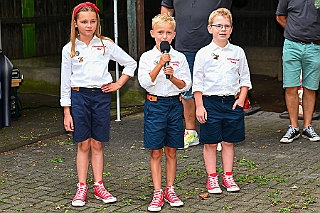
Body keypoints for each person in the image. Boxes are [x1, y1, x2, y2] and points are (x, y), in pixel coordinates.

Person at [60, 2, 137, 207]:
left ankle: (99, 185)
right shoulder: (69, 49)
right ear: (75, 23)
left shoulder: (105, 45)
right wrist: (67, 111)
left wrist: (118, 84)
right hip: (79, 98)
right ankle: (82, 187)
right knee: (83, 143)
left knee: (97, 143)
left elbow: (130, 63)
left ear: (97, 23)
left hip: (101, 97)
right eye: (84, 22)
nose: (89, 25)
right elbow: (65, 81)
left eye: (92, 21)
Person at [193, 8, 252, 194]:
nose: (222, 29)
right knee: (210, 142)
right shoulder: (203, 53)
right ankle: (212, 178)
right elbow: (198, 82)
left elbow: (245, 79)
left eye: (226, 26)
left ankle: (228, 176)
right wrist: (200, 106)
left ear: (231, 29)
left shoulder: (238, 52)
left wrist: (241, 100)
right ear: (210, 28)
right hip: (210, 103)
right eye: (218, 26)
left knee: (228, 141)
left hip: (232, 103)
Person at [161, 0, 232, 149]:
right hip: (184, 47)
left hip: (213, 46)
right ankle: (191, 131)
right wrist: (165, 35)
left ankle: (216, 134)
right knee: (187, 91)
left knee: (214, 90)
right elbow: (166, 9)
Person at [138, 14, 191, 212]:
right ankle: (157, 192)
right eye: (160, 32)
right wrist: (160, 64)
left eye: (168, 32)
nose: (164, 36)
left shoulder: (180, 58)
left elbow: (186, 85)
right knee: (155, 150)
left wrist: (173, 78)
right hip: (155, 106)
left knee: (171, 150)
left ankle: (170, 188)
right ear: (153, 34)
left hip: (174, 106)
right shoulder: (147, 57)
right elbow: (145, 82)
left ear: (174, 35)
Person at [276, 1, 320, 143]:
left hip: (314, 46)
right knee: (290, 86)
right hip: (292, 45)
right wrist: (293, 32)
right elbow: (280, 17)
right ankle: (293, 127)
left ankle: (308, 127)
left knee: (311, 87)